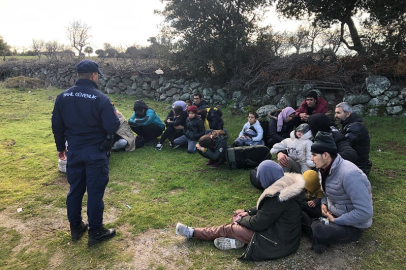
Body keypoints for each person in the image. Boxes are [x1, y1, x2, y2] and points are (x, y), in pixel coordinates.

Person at [175, 160, 305, 261]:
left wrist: (241, 220)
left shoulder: (278, 198)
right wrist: (247, 212)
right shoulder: (285, 185)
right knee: (238, 212)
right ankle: (238, 240)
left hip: (275, 241)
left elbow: (258, 223)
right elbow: (267, 210)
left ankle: (192, 232)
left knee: (228, 228)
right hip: (280, 233)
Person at [51, 60, 120, 246]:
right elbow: (113, 125)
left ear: (77, 75)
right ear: (94, 75)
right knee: (95, 193)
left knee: (75, 191)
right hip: (96, 154)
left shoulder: (62, 97)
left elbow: (57, 125)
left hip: (74, 151)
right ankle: (96, 231)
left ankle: (76, 228)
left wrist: (60, 147)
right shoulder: (101, 99)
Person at [304, 131, 373, 254]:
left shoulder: (350, 175)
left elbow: (365, 212)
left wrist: (336, 221)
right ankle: (318, 231)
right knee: (300, 204)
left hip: (351, 224)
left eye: (314, 155)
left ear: (325, 155)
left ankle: (317, 228)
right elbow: (327, 193)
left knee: (320, 231)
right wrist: (324, 203)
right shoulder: (324, 168)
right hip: (331, 211)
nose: (311, 158)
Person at [335, 102, 372, 175]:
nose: (335, 116)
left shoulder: (356, 127)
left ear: (348, 114)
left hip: (358, 164)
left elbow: (344, 144)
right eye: (335, 113)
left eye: (338, 113)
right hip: (353, 161)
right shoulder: (346, 124)